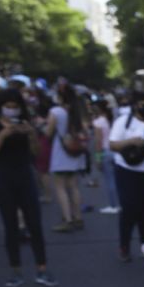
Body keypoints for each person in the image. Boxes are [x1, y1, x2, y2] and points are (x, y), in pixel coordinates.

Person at [0, 88, 55, 287]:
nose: (12, 110)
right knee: (10, 225)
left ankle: (42, 268)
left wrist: (31, 135)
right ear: (1, 107)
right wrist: (4, 134)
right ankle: (15, 270)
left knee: (35, 224)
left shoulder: (25, 125)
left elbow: (37, 153)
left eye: (15, 107)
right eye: (8, 107)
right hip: (3, 178)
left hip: (25, 177)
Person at [109, 91, 144, 263]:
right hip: (127, 171)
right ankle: (124, 245)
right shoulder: (123, 122)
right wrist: (131, 142)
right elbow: (113, 145)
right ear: (135, 105)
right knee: (129, 209)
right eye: (142, 104)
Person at [46, 83, 90, 233]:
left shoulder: (56, 111)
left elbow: (48, 133)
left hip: (61, 152)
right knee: (74, 186)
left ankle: (67, 219)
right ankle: (78, 217)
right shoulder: (78, 110)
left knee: (60, 187)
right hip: (76, 152)